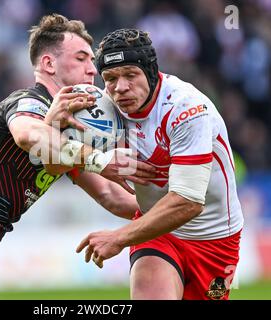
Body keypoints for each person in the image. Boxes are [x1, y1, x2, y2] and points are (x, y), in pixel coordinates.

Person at [0, 16, 156, 300]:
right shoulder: (26, 102)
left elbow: (111, 194)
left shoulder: (69, 134)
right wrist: (99, 159)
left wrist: (172, 209)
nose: (92, 70)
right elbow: (28, 135)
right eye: (82, 58)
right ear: (49, 64)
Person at [76, 28, 244, 300]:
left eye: (130, 75)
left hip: (214, 239)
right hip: (156, 231)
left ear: (151, 73)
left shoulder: (186, 109)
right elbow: (45, 151)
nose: (120, 88)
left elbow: (188, 202)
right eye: (110, 78)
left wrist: (118, 237)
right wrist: (59, 127)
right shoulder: (103, 107)